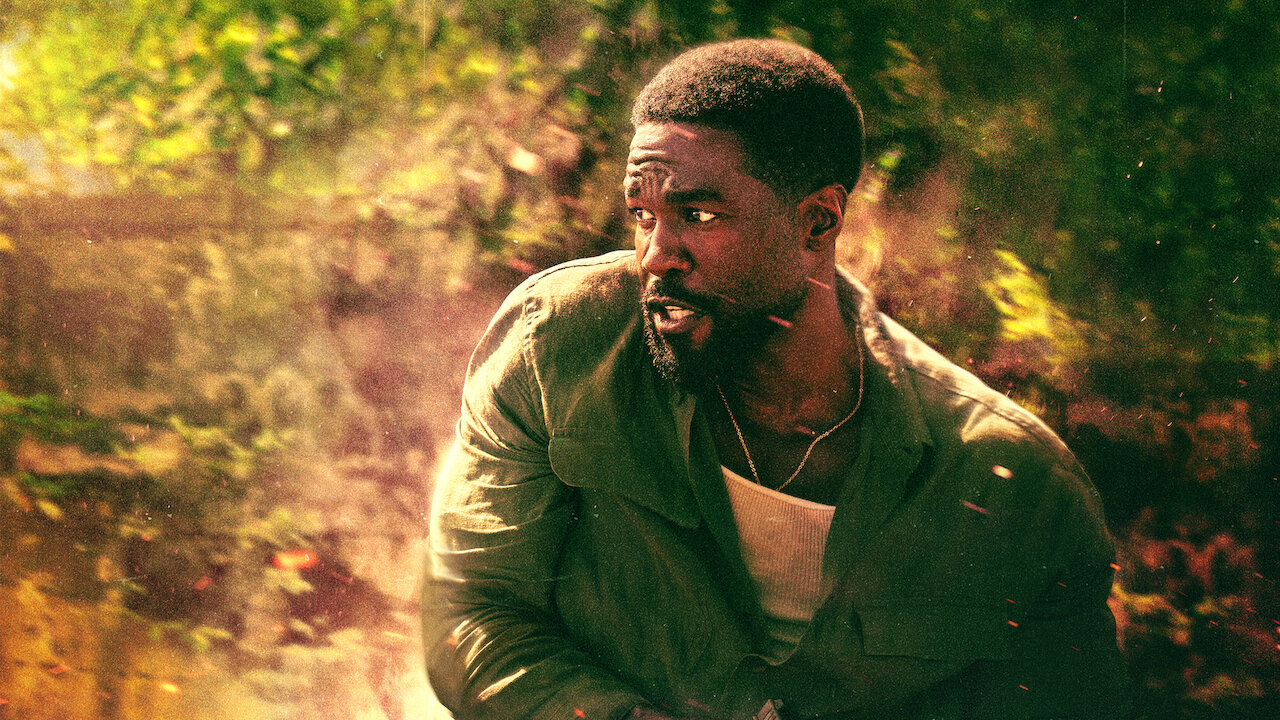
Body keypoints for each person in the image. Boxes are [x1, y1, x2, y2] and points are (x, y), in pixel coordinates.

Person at [422, 39, 1130, 720]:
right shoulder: (557, 347)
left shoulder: (1012, 485)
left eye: (699, 215)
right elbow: (472, 613)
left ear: (817, 222)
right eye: (642, 216)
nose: (655, 256)